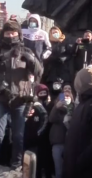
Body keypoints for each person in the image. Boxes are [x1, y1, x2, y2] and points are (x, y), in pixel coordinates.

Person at [0, 20, 43, 170]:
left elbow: (39, 72)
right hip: (2, 97)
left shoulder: (27, 51)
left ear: (18, 34)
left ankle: (16, 164)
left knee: (18, 136)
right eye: (7, 33)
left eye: (13, 33)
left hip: (20, 98)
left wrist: (30, 60)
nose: (10, 36)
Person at [49, 89, 75, 178]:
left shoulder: (75, 108)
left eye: (68, 96)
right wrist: (56, 107)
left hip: (70, 143)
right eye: (64, 96)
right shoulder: (57, 108)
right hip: (58, 142)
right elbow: (51, 119)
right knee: (58, 169)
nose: (66, 98)